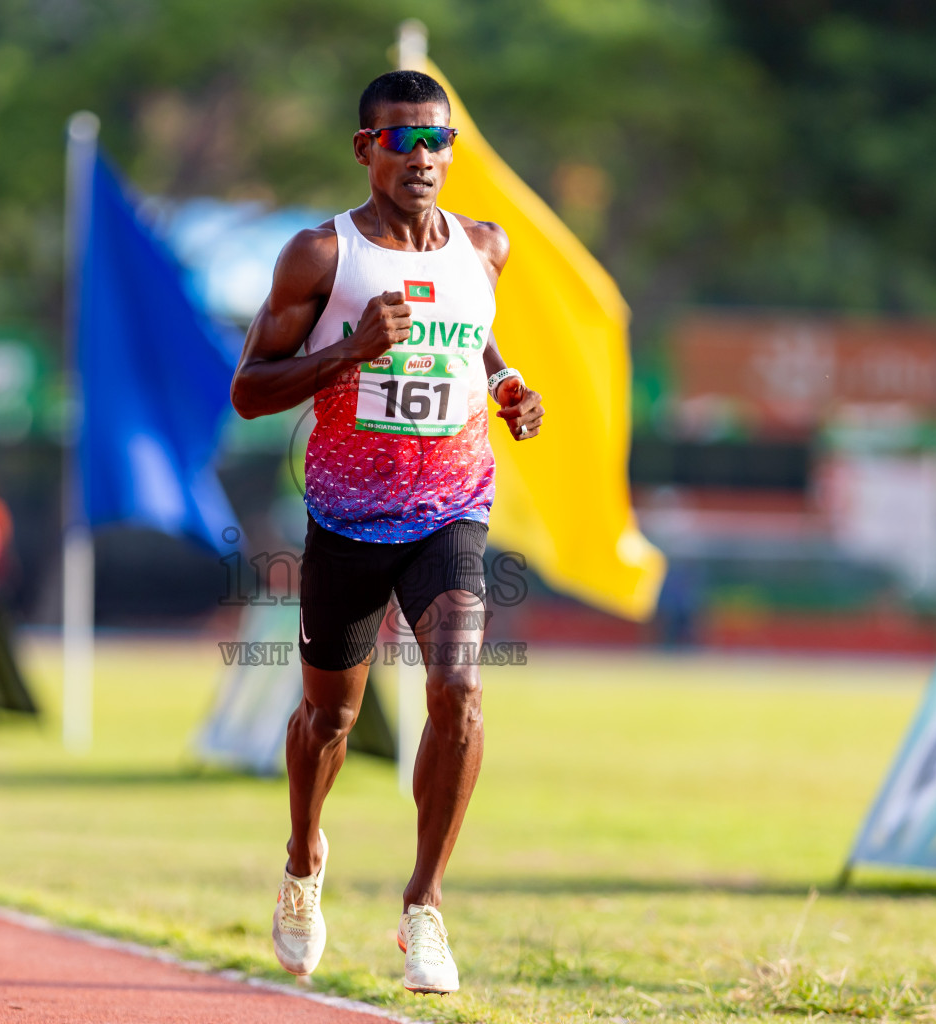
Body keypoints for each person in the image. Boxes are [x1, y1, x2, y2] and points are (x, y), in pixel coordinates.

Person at [230, 69, 544, 995]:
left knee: (460, 687)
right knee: (330, 716)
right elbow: (250, 391)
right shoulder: (319, 257)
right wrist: (348, 352)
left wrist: (504, 386)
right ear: (365, 149)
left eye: (438, 141)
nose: (423, 157)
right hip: (346, 518)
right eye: (402, 140)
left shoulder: (485, 248)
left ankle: (425, 908)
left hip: (452, 507)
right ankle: (302, 860)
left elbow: (472, 330)